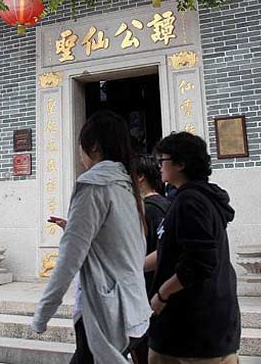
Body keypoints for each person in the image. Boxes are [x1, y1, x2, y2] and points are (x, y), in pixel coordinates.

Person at [31, 110, 153, 364]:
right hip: (135, 308)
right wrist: (76, 229)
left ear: (93, 146)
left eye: (81, 147)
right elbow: (125, 244)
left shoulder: (93, 184)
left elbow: (68, 260)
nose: (80, 154)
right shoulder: (127, 184)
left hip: (105, 312)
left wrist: (42, 313)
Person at [144, 131, 241, 364]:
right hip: (202, 329)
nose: (159, 166)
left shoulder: (191, 201)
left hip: (193, 331)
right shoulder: (193, 198)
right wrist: (132, 267)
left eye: (163, 160)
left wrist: (161, 295)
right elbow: (172, 249)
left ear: (181, 163)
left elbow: (200, 261)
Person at [133, 153, 171, 364]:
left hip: (147, 294)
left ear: (139, 177)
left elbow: (156, 252)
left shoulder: (147, 210)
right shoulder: (167, 205)